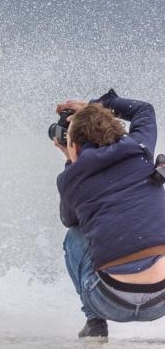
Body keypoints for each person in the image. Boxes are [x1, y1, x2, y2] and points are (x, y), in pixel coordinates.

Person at [54, 89, 165, 339]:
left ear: (75, 145)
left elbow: (70, 220)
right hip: (161, 301)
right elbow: (144, 110)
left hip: (108, 300)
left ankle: (94, 322)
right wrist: (98, 105)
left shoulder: (71, 177)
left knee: (74, 237)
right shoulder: (140, 149)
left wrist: (71, 163)